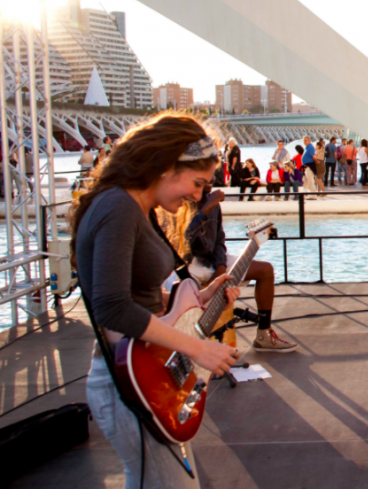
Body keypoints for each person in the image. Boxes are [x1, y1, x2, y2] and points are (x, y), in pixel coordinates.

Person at [72, 113, 241, 488]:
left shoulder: (135, 208)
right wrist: (197, 348)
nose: (198, 196)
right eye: (197, 183)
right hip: (129, 382)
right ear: (167, 166)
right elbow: (112, 308)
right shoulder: (117, 208)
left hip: (147, 374)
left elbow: (140, 298)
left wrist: (202, 297)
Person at [172, 184, 296, 352]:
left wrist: (221, 266)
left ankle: (263, 335)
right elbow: (184, 239)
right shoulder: (180, 200)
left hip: (212, 260)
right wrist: (206, 209)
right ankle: (183, 346)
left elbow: (219, 239)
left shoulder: (212, 199)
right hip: (187, 263)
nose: (212, 180)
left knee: (265, 270)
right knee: (182, 293)